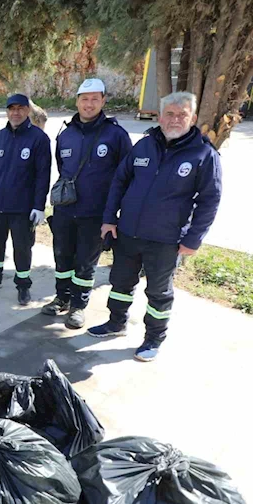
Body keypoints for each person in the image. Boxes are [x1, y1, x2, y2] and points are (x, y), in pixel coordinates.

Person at [88, 91, 222, 362]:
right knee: (121, 282)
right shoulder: (144, 146)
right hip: (127, 233)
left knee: (159, 293)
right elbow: (119, 181)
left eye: (181, 115)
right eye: (169, 114)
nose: (175, 120)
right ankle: (116, 323)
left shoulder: (204, 154)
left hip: (166, 239)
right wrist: (109, 219)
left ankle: (153, 338)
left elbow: (211, 200)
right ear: (160, 116)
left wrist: (193, 239)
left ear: (193, 118)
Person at [41, 78, 132, 328]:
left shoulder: (116, 135)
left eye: (94, 98)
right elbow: (62, 168)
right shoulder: (66, 133)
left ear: (103, 101)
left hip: (95, 214)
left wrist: (111, 216)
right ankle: (62, 297)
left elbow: (126, 176)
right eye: (84, 98)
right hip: (65, 211)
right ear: (77, 101)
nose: (89, 104)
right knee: (62, 257)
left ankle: (78, 306)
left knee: (85, 262)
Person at [0, 93, 51, 304]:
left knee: (22, 249)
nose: (15, 113)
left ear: (27, 111)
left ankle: (23, 285)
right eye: (11, 109)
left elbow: (43, 175)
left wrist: (38, 206)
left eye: (20, 109)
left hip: (23, 208)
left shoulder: (39, 139)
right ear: (7, 111)